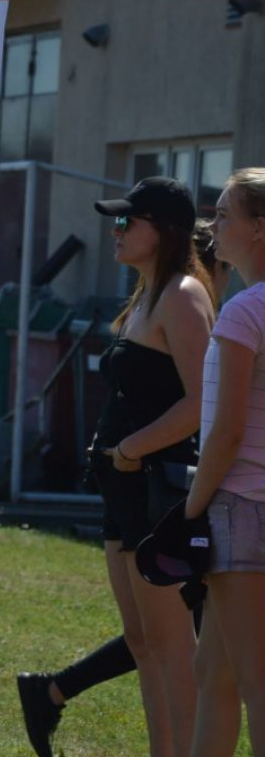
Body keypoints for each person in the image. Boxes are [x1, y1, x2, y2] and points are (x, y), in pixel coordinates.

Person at [16, 216, 231, 756]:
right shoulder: (147, 298)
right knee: (146, 643)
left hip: (160, 490)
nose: (114, 231)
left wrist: (133, 449)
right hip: (126, 493)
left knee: (180, 647)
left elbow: (202, 404)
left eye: (125, 222)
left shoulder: (189, 299)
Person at [187, 167, 265, 756]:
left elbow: (226, 433)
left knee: (256, 686)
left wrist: (190, 509)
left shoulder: (242, 313)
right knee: (214, 674)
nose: (211, 225)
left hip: (240, 507)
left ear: (259, 229)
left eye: (223, 214)